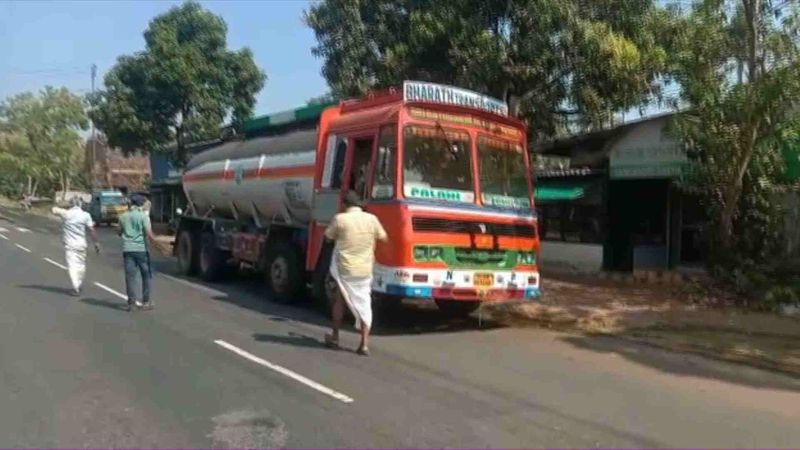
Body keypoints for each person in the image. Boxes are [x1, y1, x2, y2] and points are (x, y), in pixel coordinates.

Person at [323, 191, 388, 356]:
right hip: (364, 269)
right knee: (364, 303)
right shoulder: (371, 219)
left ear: (345, 205)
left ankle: (335, 337)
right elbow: (383, 237)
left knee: (339, 299)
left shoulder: (340, 219)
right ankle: (364, 343)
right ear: (359, 205)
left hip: (344, 269)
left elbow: (328, 237)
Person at [51, 197, 100, 297]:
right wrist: (96, 243)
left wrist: (64, 204)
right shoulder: (86, 215)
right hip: (82, 244)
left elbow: (53, 209)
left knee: (72, 266)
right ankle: (79, 283)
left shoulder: (66, 213)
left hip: (70, 244)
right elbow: (91, 230)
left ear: (71, 205)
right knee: (81, 265)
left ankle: (76, 287)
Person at [118, 194, 157, 311]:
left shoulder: (123, 216)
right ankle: (146, 302)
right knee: (146, 275)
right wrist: (158, 245)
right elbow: (148, 233)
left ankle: (131, 303)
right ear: (140, 204)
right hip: (141, 250)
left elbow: (119, 232)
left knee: (130, 276)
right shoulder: (143, 216)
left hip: (127, 249)